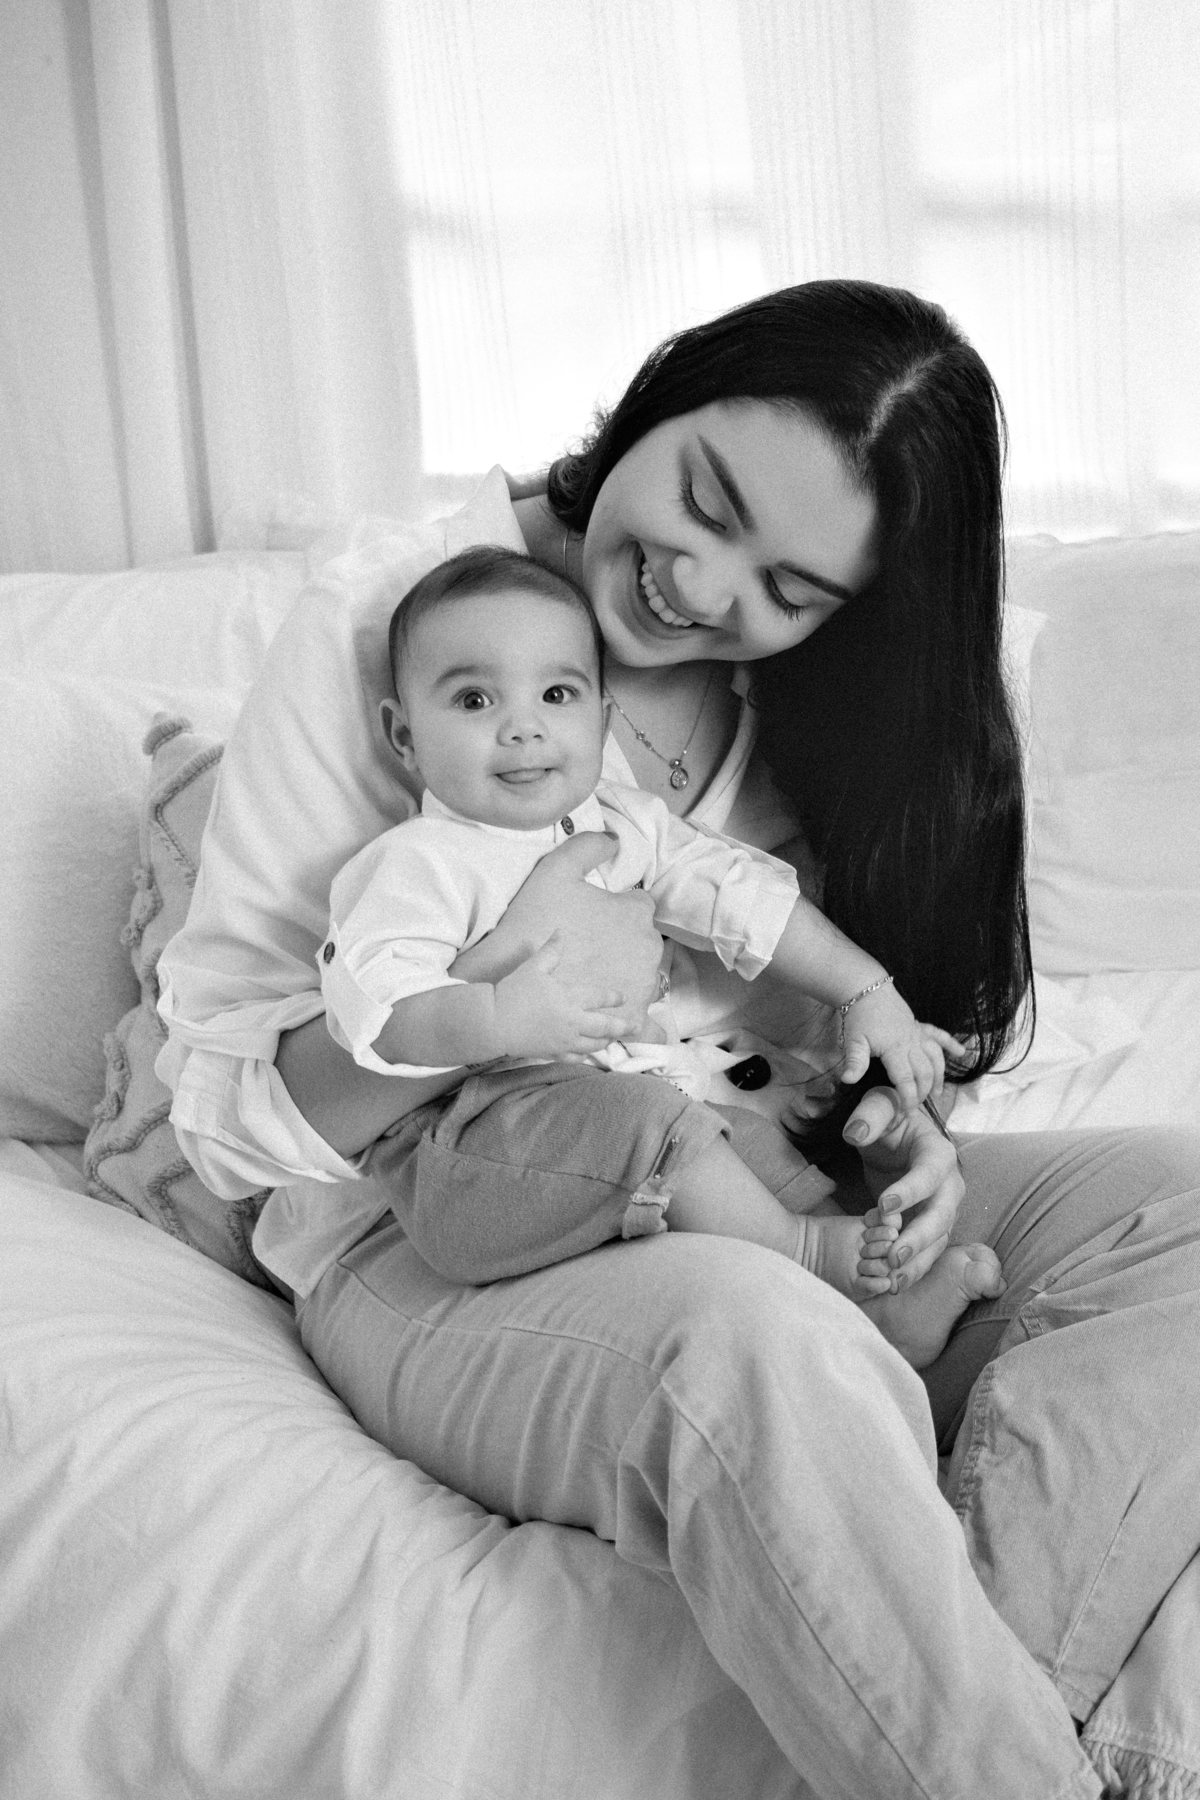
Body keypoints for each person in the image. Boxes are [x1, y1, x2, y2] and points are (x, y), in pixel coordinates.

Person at [158, 279, 1200, 1800]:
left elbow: (788, 1025)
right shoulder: (408, 631)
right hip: (445, 1228)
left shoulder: (805, 713)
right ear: (662, 393)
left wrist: (892, 1133)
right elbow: (219, 1117)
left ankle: (990, 1712)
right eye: (705, 499)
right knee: (758, 1338)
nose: (704, 590)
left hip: (754, 1174)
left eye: (790, 589)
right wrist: (499, 1003)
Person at [318, 542, 999, 1351]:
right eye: (473, 700)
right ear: (404, 736)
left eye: (557, 692)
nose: (523, 726)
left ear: (601, 721)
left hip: (598, 1116)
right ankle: (814, 1259)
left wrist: (864, 989)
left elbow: (736, 896)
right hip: (468, 1153)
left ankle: (877, 1299)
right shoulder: (419, 861)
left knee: (733, 1137)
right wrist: (499, 1013)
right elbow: (375, 1009)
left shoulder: (620, 823)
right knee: (658, 1124)